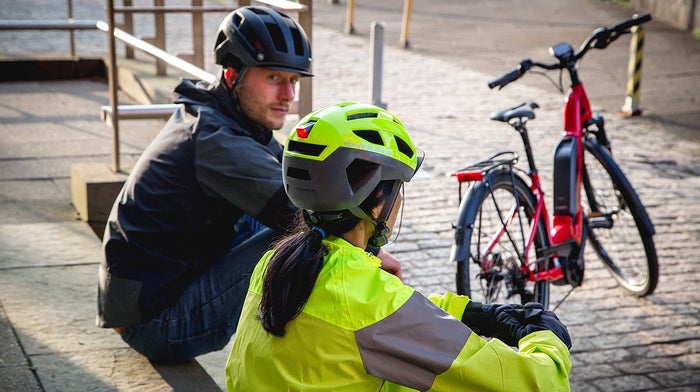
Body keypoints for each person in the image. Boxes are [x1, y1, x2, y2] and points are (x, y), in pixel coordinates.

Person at [225, 102, 572, 391]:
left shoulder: (276, 262)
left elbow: (381, 320)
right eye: (399, 187)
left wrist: (470, 314)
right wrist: (547, 340)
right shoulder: (366, 302)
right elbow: (535, 385)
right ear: (377, 201)